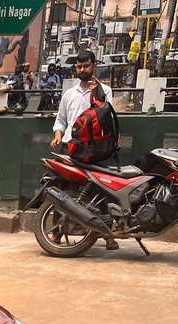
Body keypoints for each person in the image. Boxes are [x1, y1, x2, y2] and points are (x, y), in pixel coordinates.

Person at [50, 50, 117, 249]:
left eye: (86, 66)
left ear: (93, 65)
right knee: (62, 191)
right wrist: (58, 134)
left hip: (95, 149)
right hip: (71, 148)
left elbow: (107, 116)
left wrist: (98, 94)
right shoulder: (69, 94)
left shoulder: (105, 91)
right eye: (79, 66)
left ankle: (109, 236)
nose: (82, 70)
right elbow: (60, 119)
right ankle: (56, 233)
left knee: (101, 191)